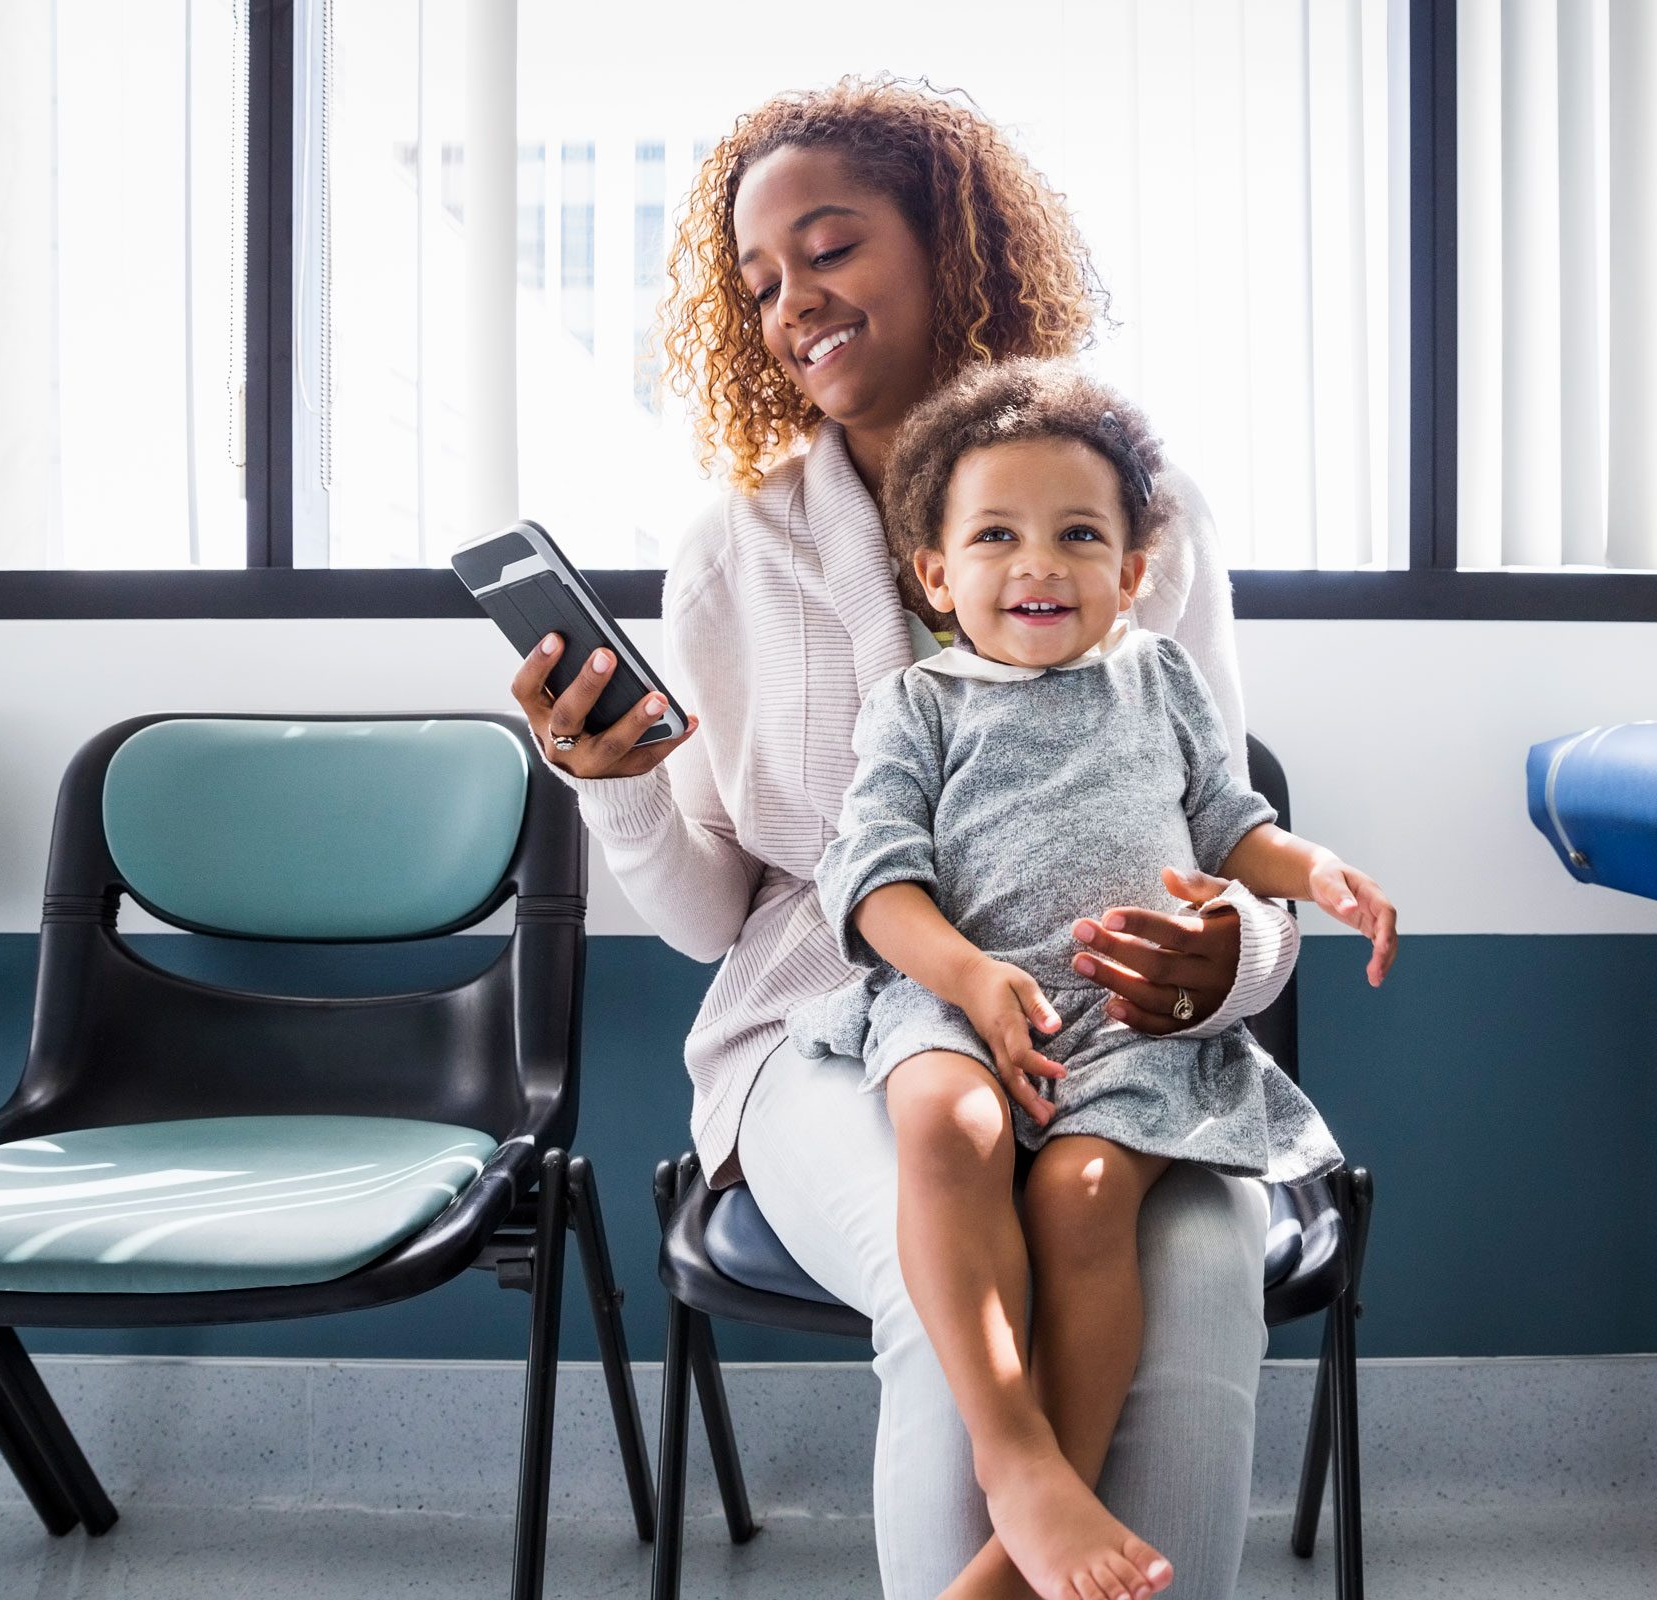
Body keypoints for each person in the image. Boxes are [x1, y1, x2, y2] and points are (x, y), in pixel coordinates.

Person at [507, 76, 1377, 1599]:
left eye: (829, 249)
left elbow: (1227, 829)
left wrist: (1226, 960)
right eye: (761, 280)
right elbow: (720, 917)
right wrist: (613, 779)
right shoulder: (735, 552)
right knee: (944, 1282)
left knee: (1198, 1266)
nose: (792, 302)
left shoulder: (1141, 513)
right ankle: (1024, 1498)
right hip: (830, 1029)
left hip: (1113, 1025)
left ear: (952, 248)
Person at [787, 358, 1396, 1600]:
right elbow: (874, 883)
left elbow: (1232, 823)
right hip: (959, 997)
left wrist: (1317, 870)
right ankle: (1018, 1460)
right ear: (937, 576)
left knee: (1083, 1191)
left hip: (1128, 1027)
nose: (1037, 565)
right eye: (996, 536)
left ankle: (1020, 1545)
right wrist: (964, 977)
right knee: (946, 1127)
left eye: (1078, 537)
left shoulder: (1160, 679)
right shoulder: (917, 704)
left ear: (1130, 575)